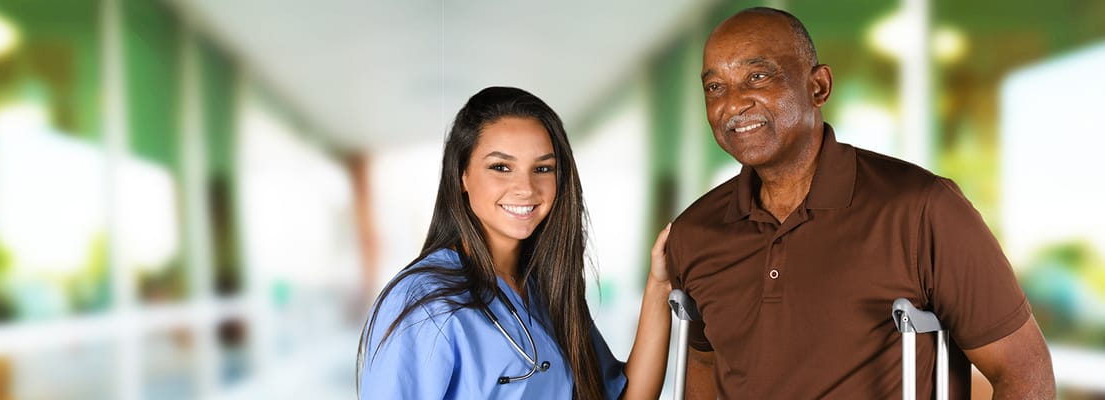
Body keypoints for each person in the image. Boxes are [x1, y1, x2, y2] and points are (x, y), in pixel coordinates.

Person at [665, 7, 1056, 399]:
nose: (733, 105)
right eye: (715, 87)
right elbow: (704, 361)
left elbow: (1023, 372)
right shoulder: (695, 233)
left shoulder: (922, 208)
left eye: (758, 77)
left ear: (818, 87)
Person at [358, 86, 673, 399]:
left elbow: (630, 397)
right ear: (462, 175)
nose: (526, 188)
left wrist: (659, 285)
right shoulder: (422, 303)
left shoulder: (544, 291)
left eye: (542, 169)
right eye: (501, 167)